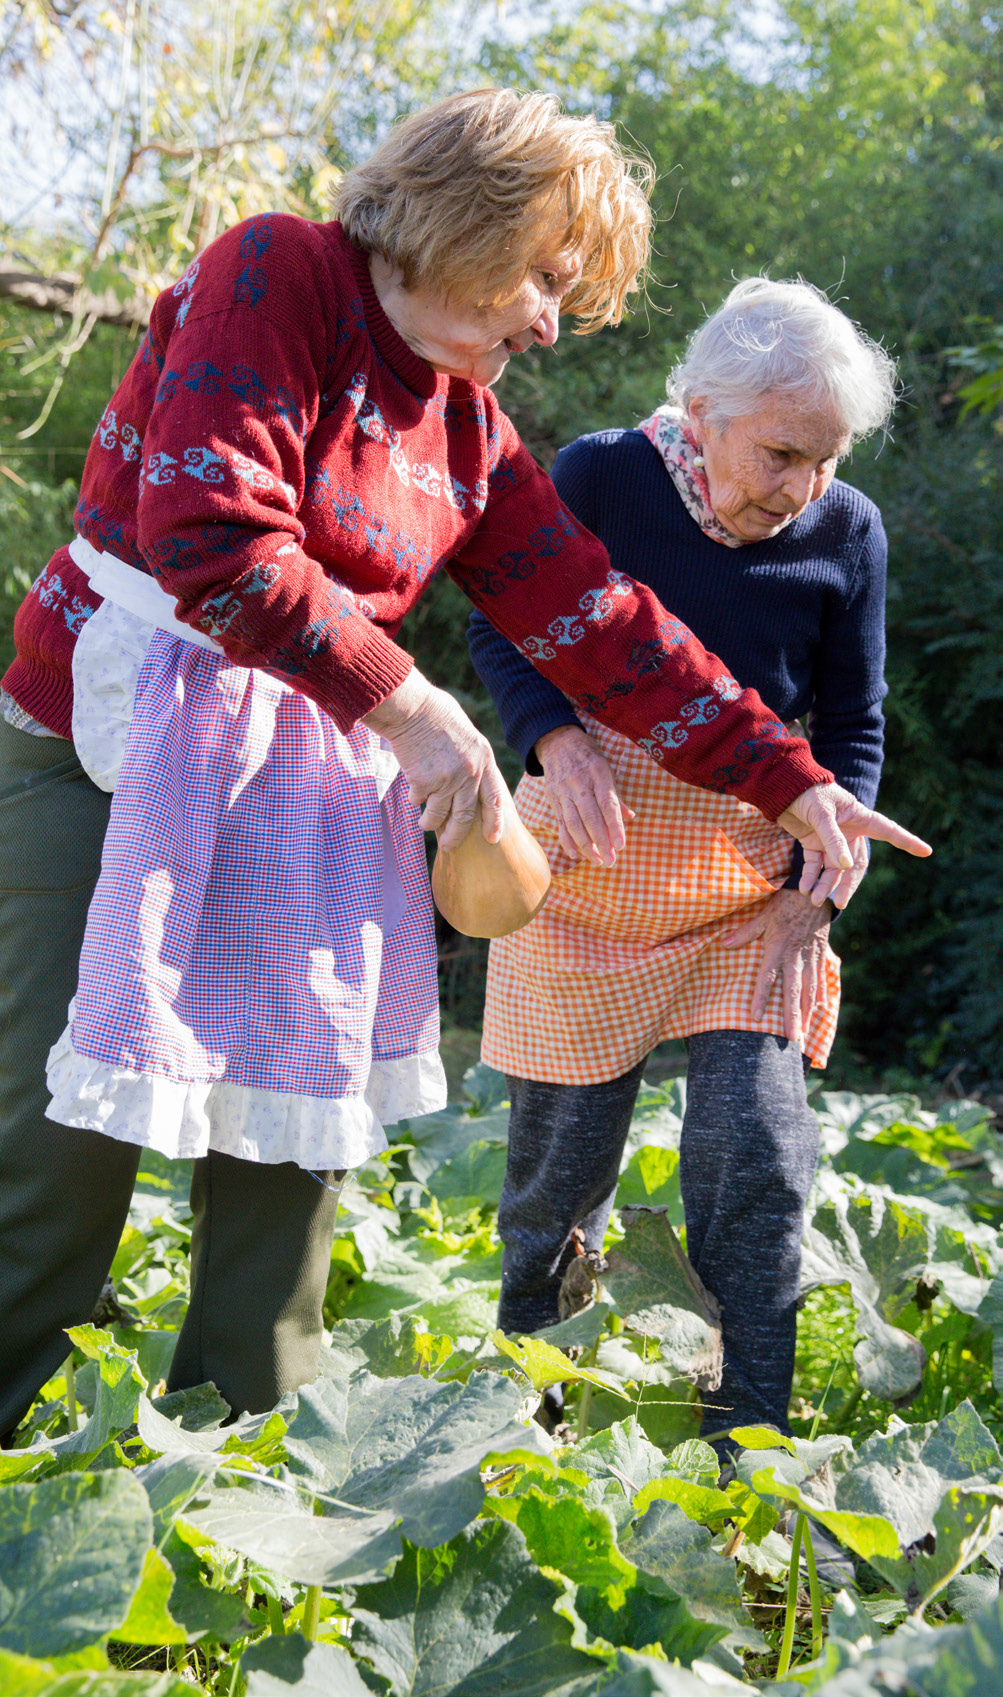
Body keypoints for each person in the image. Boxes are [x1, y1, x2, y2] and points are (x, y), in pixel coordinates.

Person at [0, 90, 926, 1443]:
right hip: (102, 747)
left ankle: (234, 1486)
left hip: (300, 778)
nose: (552, 322)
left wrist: (781, 773)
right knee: (50, 1151)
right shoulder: (280, 274)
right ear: (458, 215)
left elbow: (599, 625)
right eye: (544, 277)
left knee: (287, 1148)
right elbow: (206, 529)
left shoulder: (467, 430)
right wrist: (421, 711)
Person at [468, 276, 911, 1446]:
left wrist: (816, 891)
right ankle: (533, 1420)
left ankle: (745, 1441)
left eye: (825, 459)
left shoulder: (846, 530)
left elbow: (853, 724)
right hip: (590, 852)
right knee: (556, 1181)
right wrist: (556, 742)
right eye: (780, 454)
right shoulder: (601, 478)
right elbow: (499, 624)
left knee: (756, 1161)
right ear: (703, 411)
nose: (803, 489)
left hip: (748, 882)